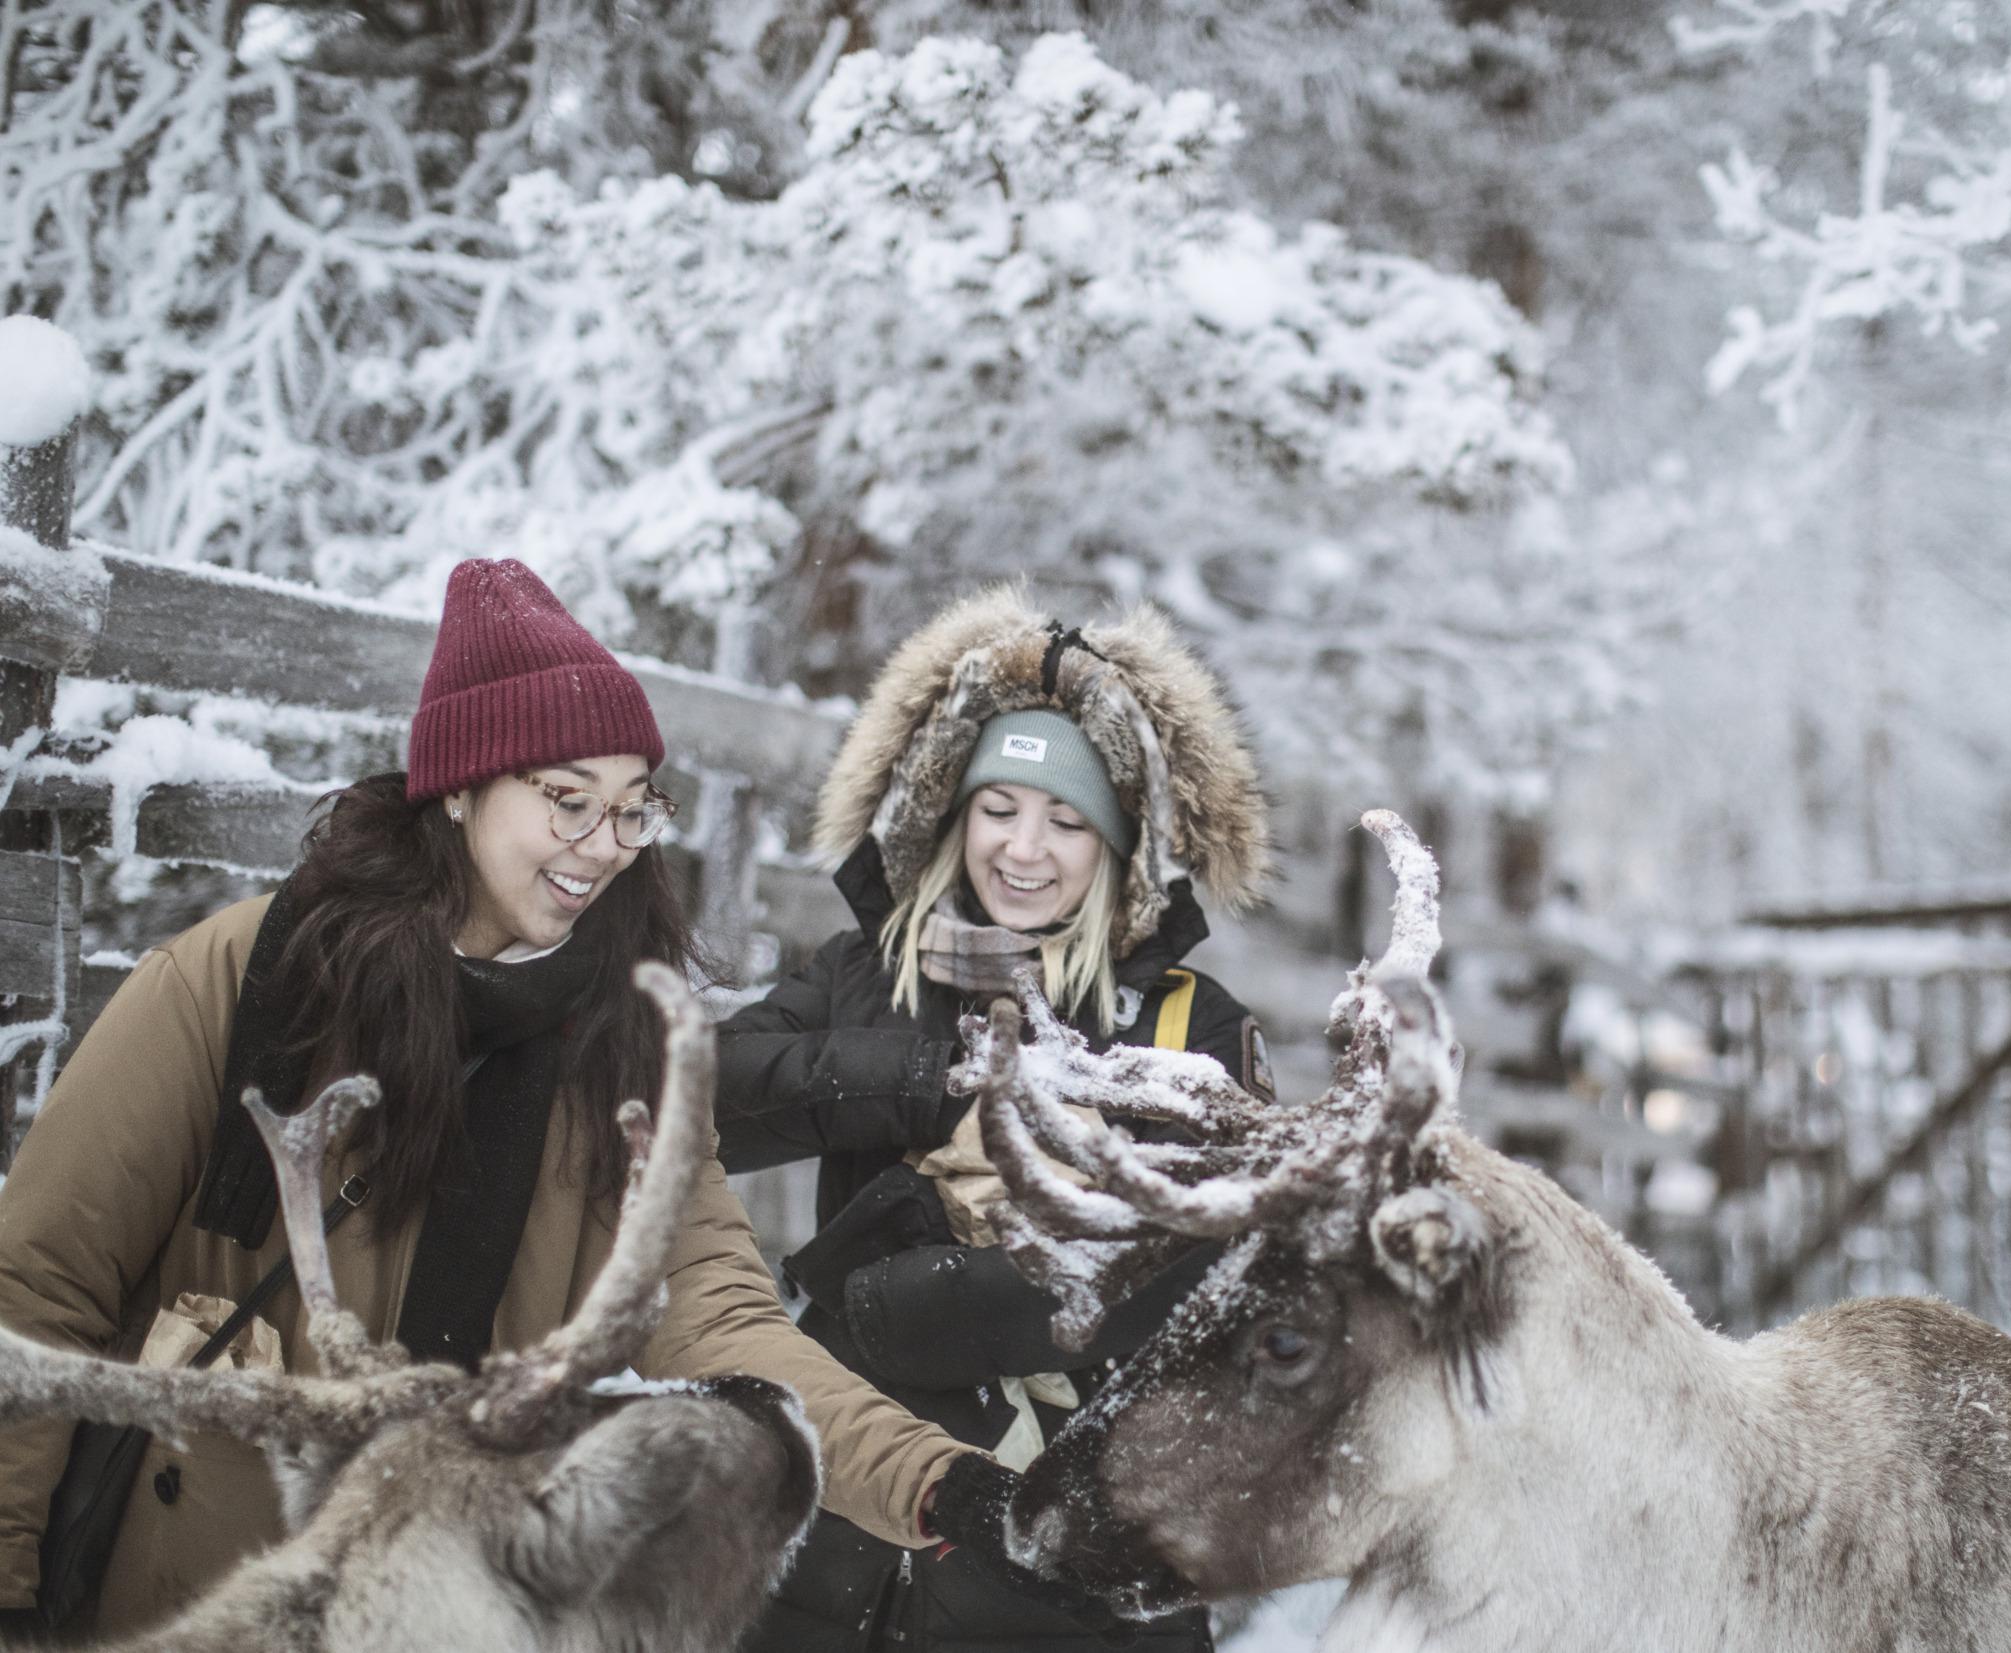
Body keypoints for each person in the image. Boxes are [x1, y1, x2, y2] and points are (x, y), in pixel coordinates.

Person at [0, 560, 977, 1639]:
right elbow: (37, 1285)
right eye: (566, 799)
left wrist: (935, 1484)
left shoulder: (620, 1047)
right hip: (194, 1603)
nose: (603, 845)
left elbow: (713, 1314)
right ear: (459, 788)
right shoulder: (237, 983)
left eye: (630, 809)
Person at [716, 586, 1277, 1652]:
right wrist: (937, 1075)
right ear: (949, 811)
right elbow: (718, 1093)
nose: (1024, 849)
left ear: (1116, 847)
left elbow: (1211, 1276)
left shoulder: (1184, 1024)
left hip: (1069, 1538)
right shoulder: (866, 976)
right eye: (998, 808)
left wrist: (911, 1314)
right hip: (842, 1526)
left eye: (1067, 821)